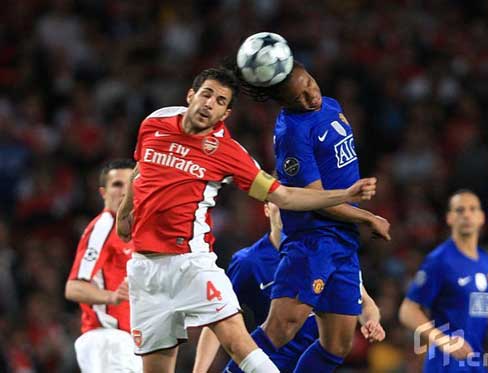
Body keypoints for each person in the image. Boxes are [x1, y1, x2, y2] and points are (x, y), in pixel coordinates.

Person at [116, 67, 378, 373]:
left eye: (220, 101)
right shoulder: (154, 122)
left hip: (191, 263)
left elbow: (287, 197)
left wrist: (343, 195)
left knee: (238, 342)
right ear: (191, 96)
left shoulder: (229, 153)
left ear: (225, 113)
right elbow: (141, 169)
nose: (210, 104)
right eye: (206, 94)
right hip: (145, 271)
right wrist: (124, 213)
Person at [228, 60, 391, 372]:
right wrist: (367, 217)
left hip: (343, 239)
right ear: (286, 103)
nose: (310, 96)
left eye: (310, 85)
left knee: (338, 344)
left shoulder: (331, 106)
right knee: (281, 329)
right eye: (299, 97)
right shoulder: (292, 133)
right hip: (314, 238)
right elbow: (317, 200)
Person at [193, 202, 386, 373]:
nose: (287, 210)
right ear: (267, 209)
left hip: (314, 363)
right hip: (267, 363)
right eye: (281, 203)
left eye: (293, 204)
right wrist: (200, 370)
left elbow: (364, 301)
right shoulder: (248, 263)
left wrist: (372, 321)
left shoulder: (325, 253)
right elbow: (219, 318)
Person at [399, 190, 488, 372]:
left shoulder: (485, 260)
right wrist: (443, 340)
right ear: (449, 218)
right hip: (445, 362)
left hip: (475, 359)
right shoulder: (440, 260)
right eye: (460, 210)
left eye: (472, 209)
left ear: (482, 217)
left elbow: (476, 305)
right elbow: (407, 309)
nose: (467, 214)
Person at [65, 159, 142, 373]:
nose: (124, 191)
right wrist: (112, 297)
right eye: (117, 184)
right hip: (108, 339)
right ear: (103, 192)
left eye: (130, 183)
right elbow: (74, 287)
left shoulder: (135, 231)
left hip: (130, 341)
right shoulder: (104, 227)